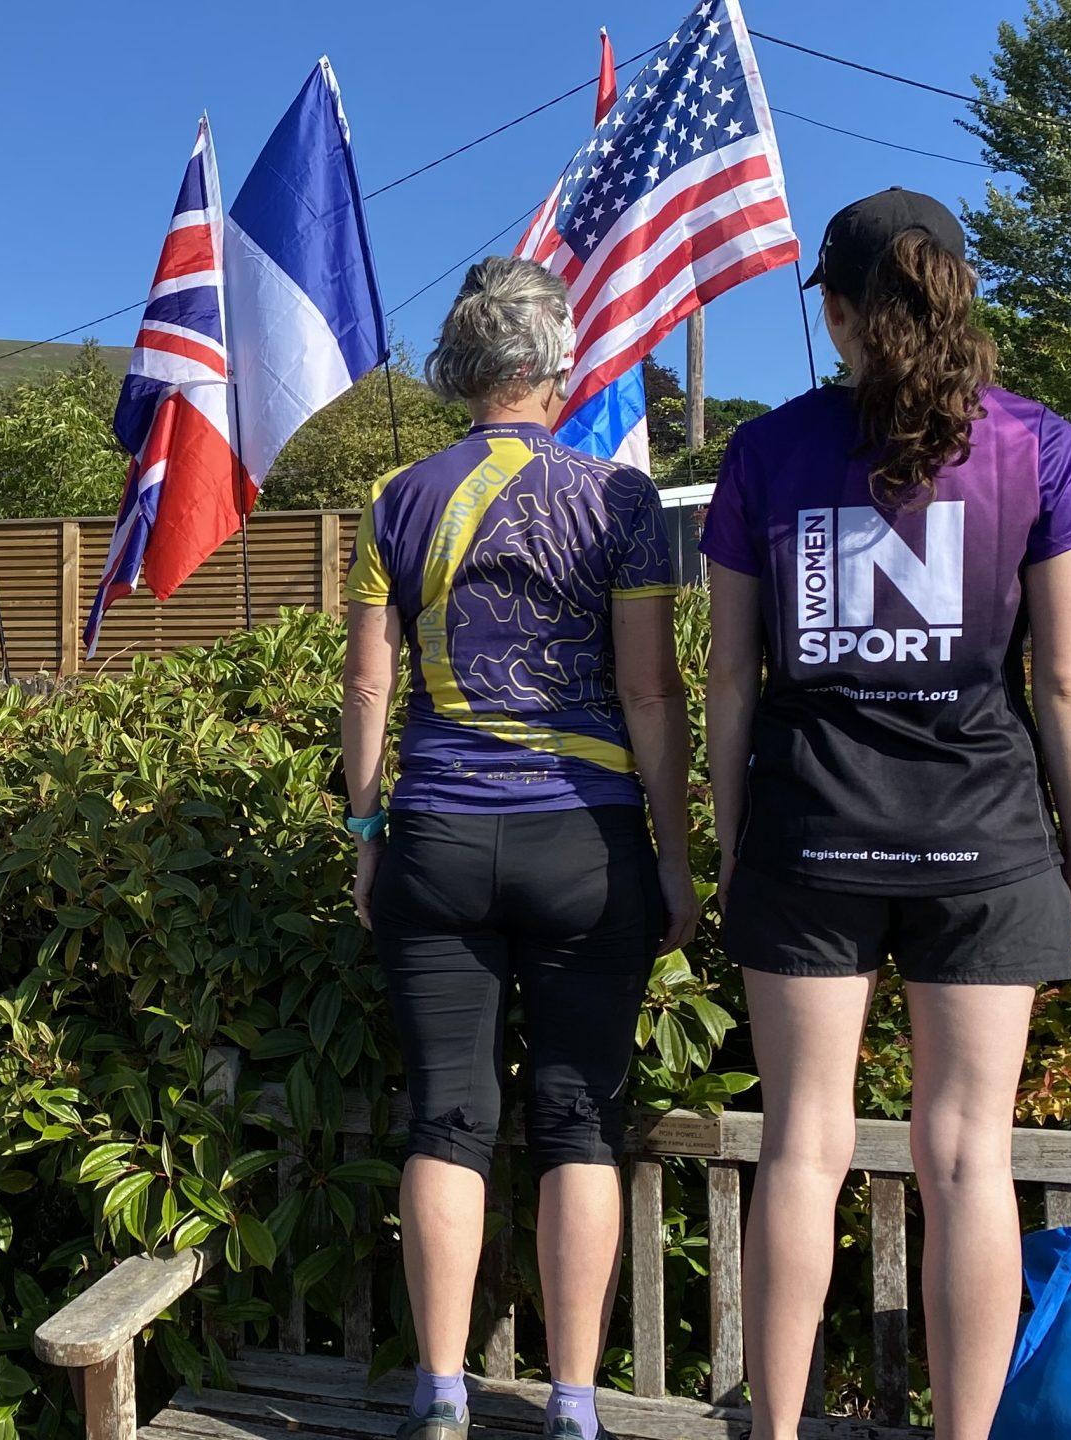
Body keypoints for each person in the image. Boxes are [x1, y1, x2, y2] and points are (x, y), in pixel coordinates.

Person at [700, 189, 1071, 1440]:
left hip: (809, 831)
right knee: (966, 1161)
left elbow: (728, 674)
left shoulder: (765, 451)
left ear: (835, 312)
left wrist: (731, 846)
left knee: (801, 1146)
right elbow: (1065, 679)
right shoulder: (1038, 445)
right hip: (987, 840)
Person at [342, 256, 699, 1440]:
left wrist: (363, 827)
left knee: (446, 1117)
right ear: (553, 368)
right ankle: (574, 1403)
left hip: (439, 830)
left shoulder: (396, 494)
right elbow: (650, 692)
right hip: (586, 841)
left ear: (461, 370)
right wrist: (679, 851)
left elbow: (366, 682)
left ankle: (441, 1392)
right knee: (576, 1121)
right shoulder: (620, 500)